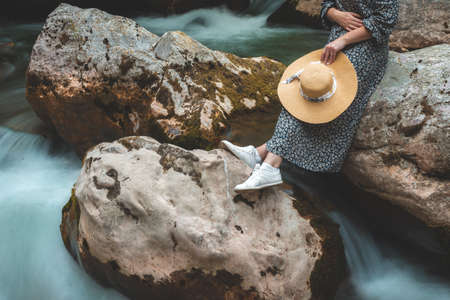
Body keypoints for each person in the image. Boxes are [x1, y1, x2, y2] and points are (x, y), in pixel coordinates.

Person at [222, 0, 399, 191]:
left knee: (320, 97)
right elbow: (327, 5)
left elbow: (384, 22)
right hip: (335, 42)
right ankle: (260, 155)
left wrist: (343, 41)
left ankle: (269, 163)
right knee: (305, 87)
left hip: (367, 48)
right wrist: (336, 15)